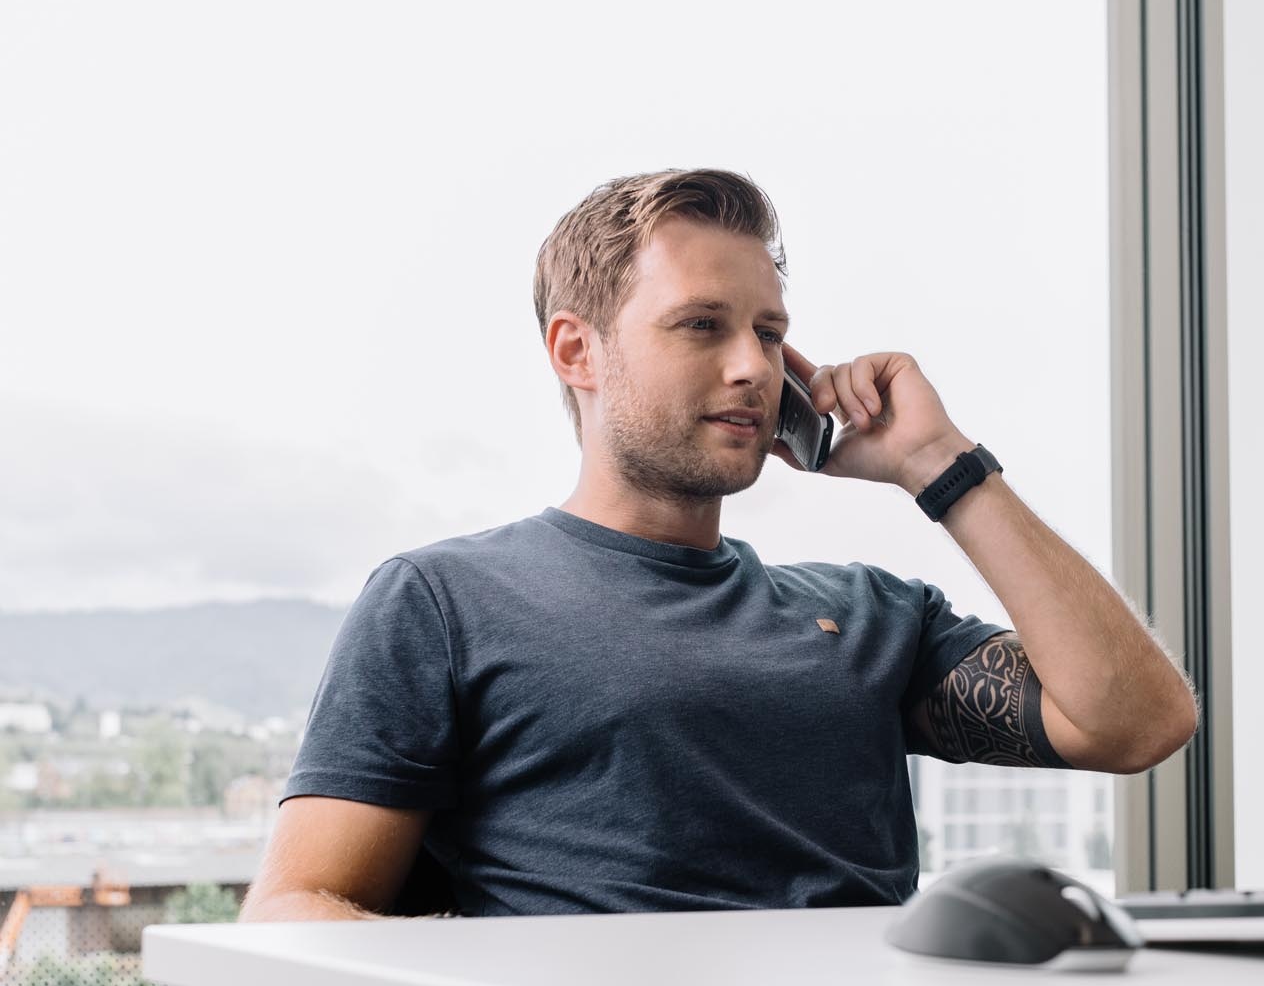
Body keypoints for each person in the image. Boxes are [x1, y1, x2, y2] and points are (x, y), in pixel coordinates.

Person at [238, 168, 1196, 934]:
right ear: (577, 352)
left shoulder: (870, 615)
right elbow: (292, 916)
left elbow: (1137, 723)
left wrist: (939, 464)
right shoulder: (445, 601)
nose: (753, 366)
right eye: (702, 325)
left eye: (770, 334)